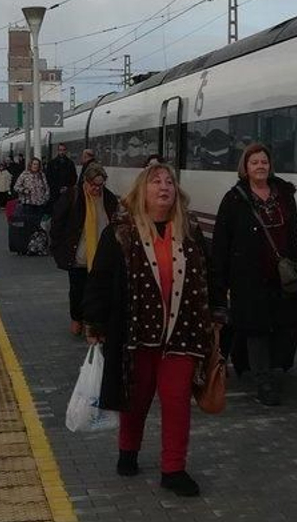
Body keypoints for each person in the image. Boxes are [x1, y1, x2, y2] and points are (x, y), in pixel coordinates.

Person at [84, 161, 220, 497]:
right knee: (137, 398)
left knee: (176, 402)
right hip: (136, 335)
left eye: (169, 182)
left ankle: (173, 469)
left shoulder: (189, 230)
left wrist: (217, 313)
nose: (164, 187)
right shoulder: (121, 232)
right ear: (142, 191)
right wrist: (95, 322)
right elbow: (100, 280)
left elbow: (209, 274)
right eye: (156, 182)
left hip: (182, 333)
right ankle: (127, 451)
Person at [210, 142, 297, 407]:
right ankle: (263, 381)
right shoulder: (234, 198)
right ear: (246, 167)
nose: (260, 166)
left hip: (282, 277)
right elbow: (221, 242)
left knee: (288, 320)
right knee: (256, 327)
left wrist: (296, 262)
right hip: (248, 277)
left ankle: (263, 366)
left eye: (264, 161)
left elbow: (294, 231)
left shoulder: (284, 194)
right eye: (255, 163)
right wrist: (221, 281)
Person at [50, 162, 120, 338]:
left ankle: (93, 324)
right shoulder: (72, 196)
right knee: (77, 290)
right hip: (78, 256)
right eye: (93, 184)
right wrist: (58, 247)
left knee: (99, 292)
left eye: (100, 185)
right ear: (85, 182)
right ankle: (76, 318)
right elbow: (57, 223)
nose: (97, 189)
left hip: (101, 257)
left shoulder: (109, 199)